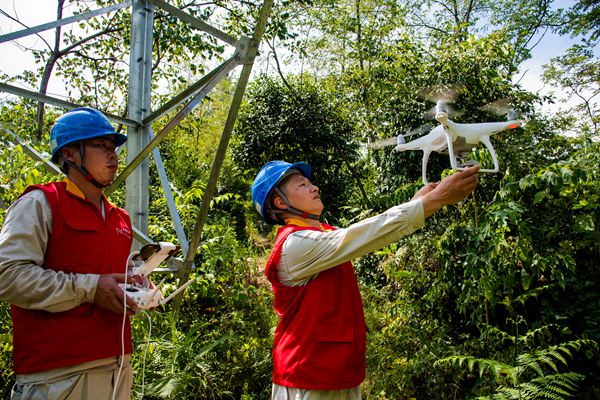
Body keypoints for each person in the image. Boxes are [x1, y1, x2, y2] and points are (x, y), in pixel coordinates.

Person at [251, 160, 480, 399]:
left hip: (340, 370)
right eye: (302, 185)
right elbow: (365, 233)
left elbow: (371, 230)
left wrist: (417, 203)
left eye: (310, 182)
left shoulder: (324, 235)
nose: (314, 188)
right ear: (280, 202)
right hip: (305, 375)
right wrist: (434, 200)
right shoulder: (294, 245)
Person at [0, 107, 140, 399]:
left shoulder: (120, 219)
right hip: (58, 378)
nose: (113, 154)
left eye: (113, 147)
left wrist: (134, 288)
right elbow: (7, 276)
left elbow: (108, 281)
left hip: (117, 370)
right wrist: (90, 288)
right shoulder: (40, 204)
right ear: (69, 155)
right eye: (101, 146)